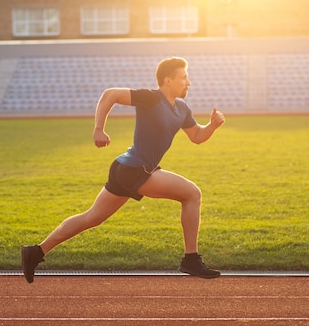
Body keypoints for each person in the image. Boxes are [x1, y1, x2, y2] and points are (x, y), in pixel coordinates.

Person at [21, 57, 225, 283]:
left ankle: (36, 252)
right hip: (135, 169)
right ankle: (191, 259)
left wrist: (212, 126)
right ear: (168, 80)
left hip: (128, 168)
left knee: (91, 218)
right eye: (184, 77)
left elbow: (196, 136)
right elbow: (110, 94)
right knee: (192, 194)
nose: (189, 82)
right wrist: (99, 129)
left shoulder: (183, 109)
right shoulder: (150, 98)